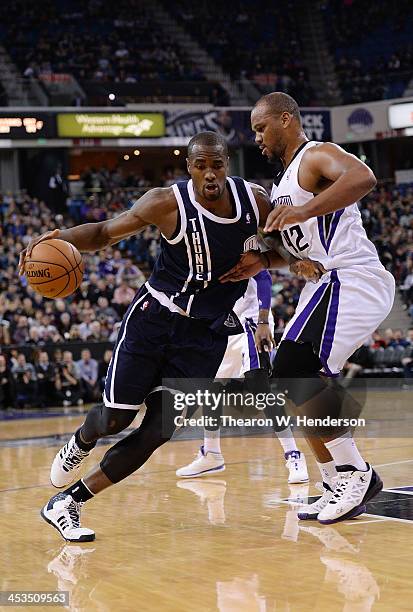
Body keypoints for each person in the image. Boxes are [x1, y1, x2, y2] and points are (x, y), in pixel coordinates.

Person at [20, 131, 322, 542]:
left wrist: (268, 260)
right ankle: (81, 440)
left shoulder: (256, 201)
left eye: (217, 164)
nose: (210, 174)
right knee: (116, 419)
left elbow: (288, 249)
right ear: (189, 168)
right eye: (201, 166)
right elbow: (106, 232)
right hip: (155, 320)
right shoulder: (166, 202)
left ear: (227, 164)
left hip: (207, 334)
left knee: (160, 430)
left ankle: (68, 502)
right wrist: (58, 238)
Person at [221, 92, 395, 524]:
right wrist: (266, 261)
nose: (257, 138)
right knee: (290, 378)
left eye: (261, 128)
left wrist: (304, 210)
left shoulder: (316, 155)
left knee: (297, 368)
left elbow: (363, 177)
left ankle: (357, 473)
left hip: (352, 276)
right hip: (322, 283)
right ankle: (336, 478)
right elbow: (296, 246)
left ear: (286, 119)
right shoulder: (281, 187)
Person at [176, 270, 309, 484]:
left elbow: (263, 277)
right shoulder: (202, 255)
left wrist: (264, 320)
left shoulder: (237, 241)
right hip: (224, 324)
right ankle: (211, 454)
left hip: (252, 321)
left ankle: (293, 454)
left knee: (259, 387)